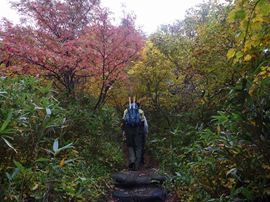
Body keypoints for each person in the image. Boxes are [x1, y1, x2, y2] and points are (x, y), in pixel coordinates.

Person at [122, 97, 147, 171]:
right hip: (138, 132)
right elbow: (143, 124)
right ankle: (137, 165)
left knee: (130, 146)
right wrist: (144, 133)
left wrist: (124, 133)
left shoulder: (126, 111)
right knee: (138, 147)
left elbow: (123, 122)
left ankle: (132, 160)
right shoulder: (140, 111)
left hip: (128, 131)